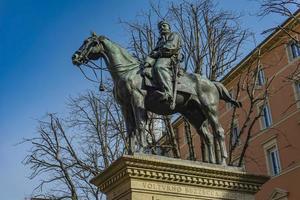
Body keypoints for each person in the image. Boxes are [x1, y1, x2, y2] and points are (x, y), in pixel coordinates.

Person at [144, 20, 182, 103]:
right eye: (160, 27)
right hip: (160, 57)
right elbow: (152, 53)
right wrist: (146, 63)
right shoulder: (159, 41)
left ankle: (168, 92)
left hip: (170, 57)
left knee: (159, 67)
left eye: (164, 25)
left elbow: (171, 47)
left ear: (169, 27)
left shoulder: (174, 35)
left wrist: (157, 53)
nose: (162, 28)